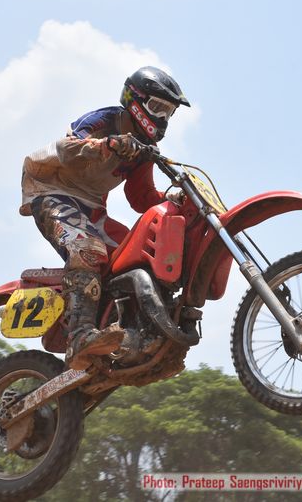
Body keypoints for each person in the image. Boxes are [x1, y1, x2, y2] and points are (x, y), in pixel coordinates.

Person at [19, 66, 190, 370]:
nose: (162, 117)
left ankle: (134, 331)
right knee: (88, 248)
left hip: (93, 209)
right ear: (135, 99)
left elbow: (140, 197)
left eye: (169, 112)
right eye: (157, 107)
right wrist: (108, 143)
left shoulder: (145, 149)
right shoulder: (105, 119)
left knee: (139, 255)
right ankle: (80, 335)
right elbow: (70, 147)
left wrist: (172, 198)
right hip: (52, 193)